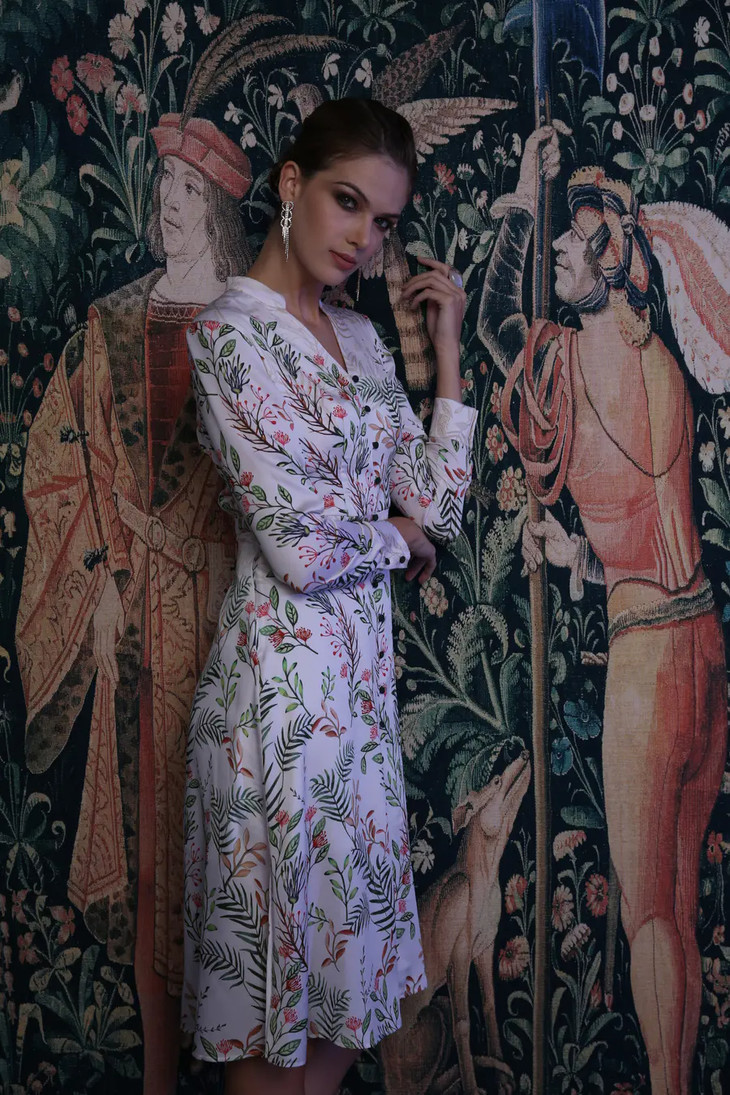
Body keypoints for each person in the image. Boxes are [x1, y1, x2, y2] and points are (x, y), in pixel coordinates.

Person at [182, 97, 476, 1095]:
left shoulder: (357, 337)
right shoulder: (227, 337)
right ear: (290, 185)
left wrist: (448, 349)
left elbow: (435, 503)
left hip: (356, 721)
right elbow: (301, 549)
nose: (362, 238)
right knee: (271, 1049)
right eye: (347, 201)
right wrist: (397, 539)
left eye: (383, 221)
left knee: (340, 1030)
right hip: (273, 717)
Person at [478, 125, 727, 1095]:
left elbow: (497, 319)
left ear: (607, 257)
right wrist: (580, 556)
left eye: (569, 241)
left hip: (645, 667)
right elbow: (647, 523)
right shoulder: (660, 360)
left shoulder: (569, 365)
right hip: (701, 645)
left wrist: (520, 195)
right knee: (681, 914)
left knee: (648, 918)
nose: (554, 250)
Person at [17, 114, 251, 1093]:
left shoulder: (254, 323)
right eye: (163, 185)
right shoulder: (113, 322)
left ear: (220, 208)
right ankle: (159, 1075)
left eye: (189, 190)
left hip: (234, 618)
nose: (169, 203)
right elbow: (63, 462)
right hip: (139, 619)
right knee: (156, 865)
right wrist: (103, 582)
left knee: (232, 860)